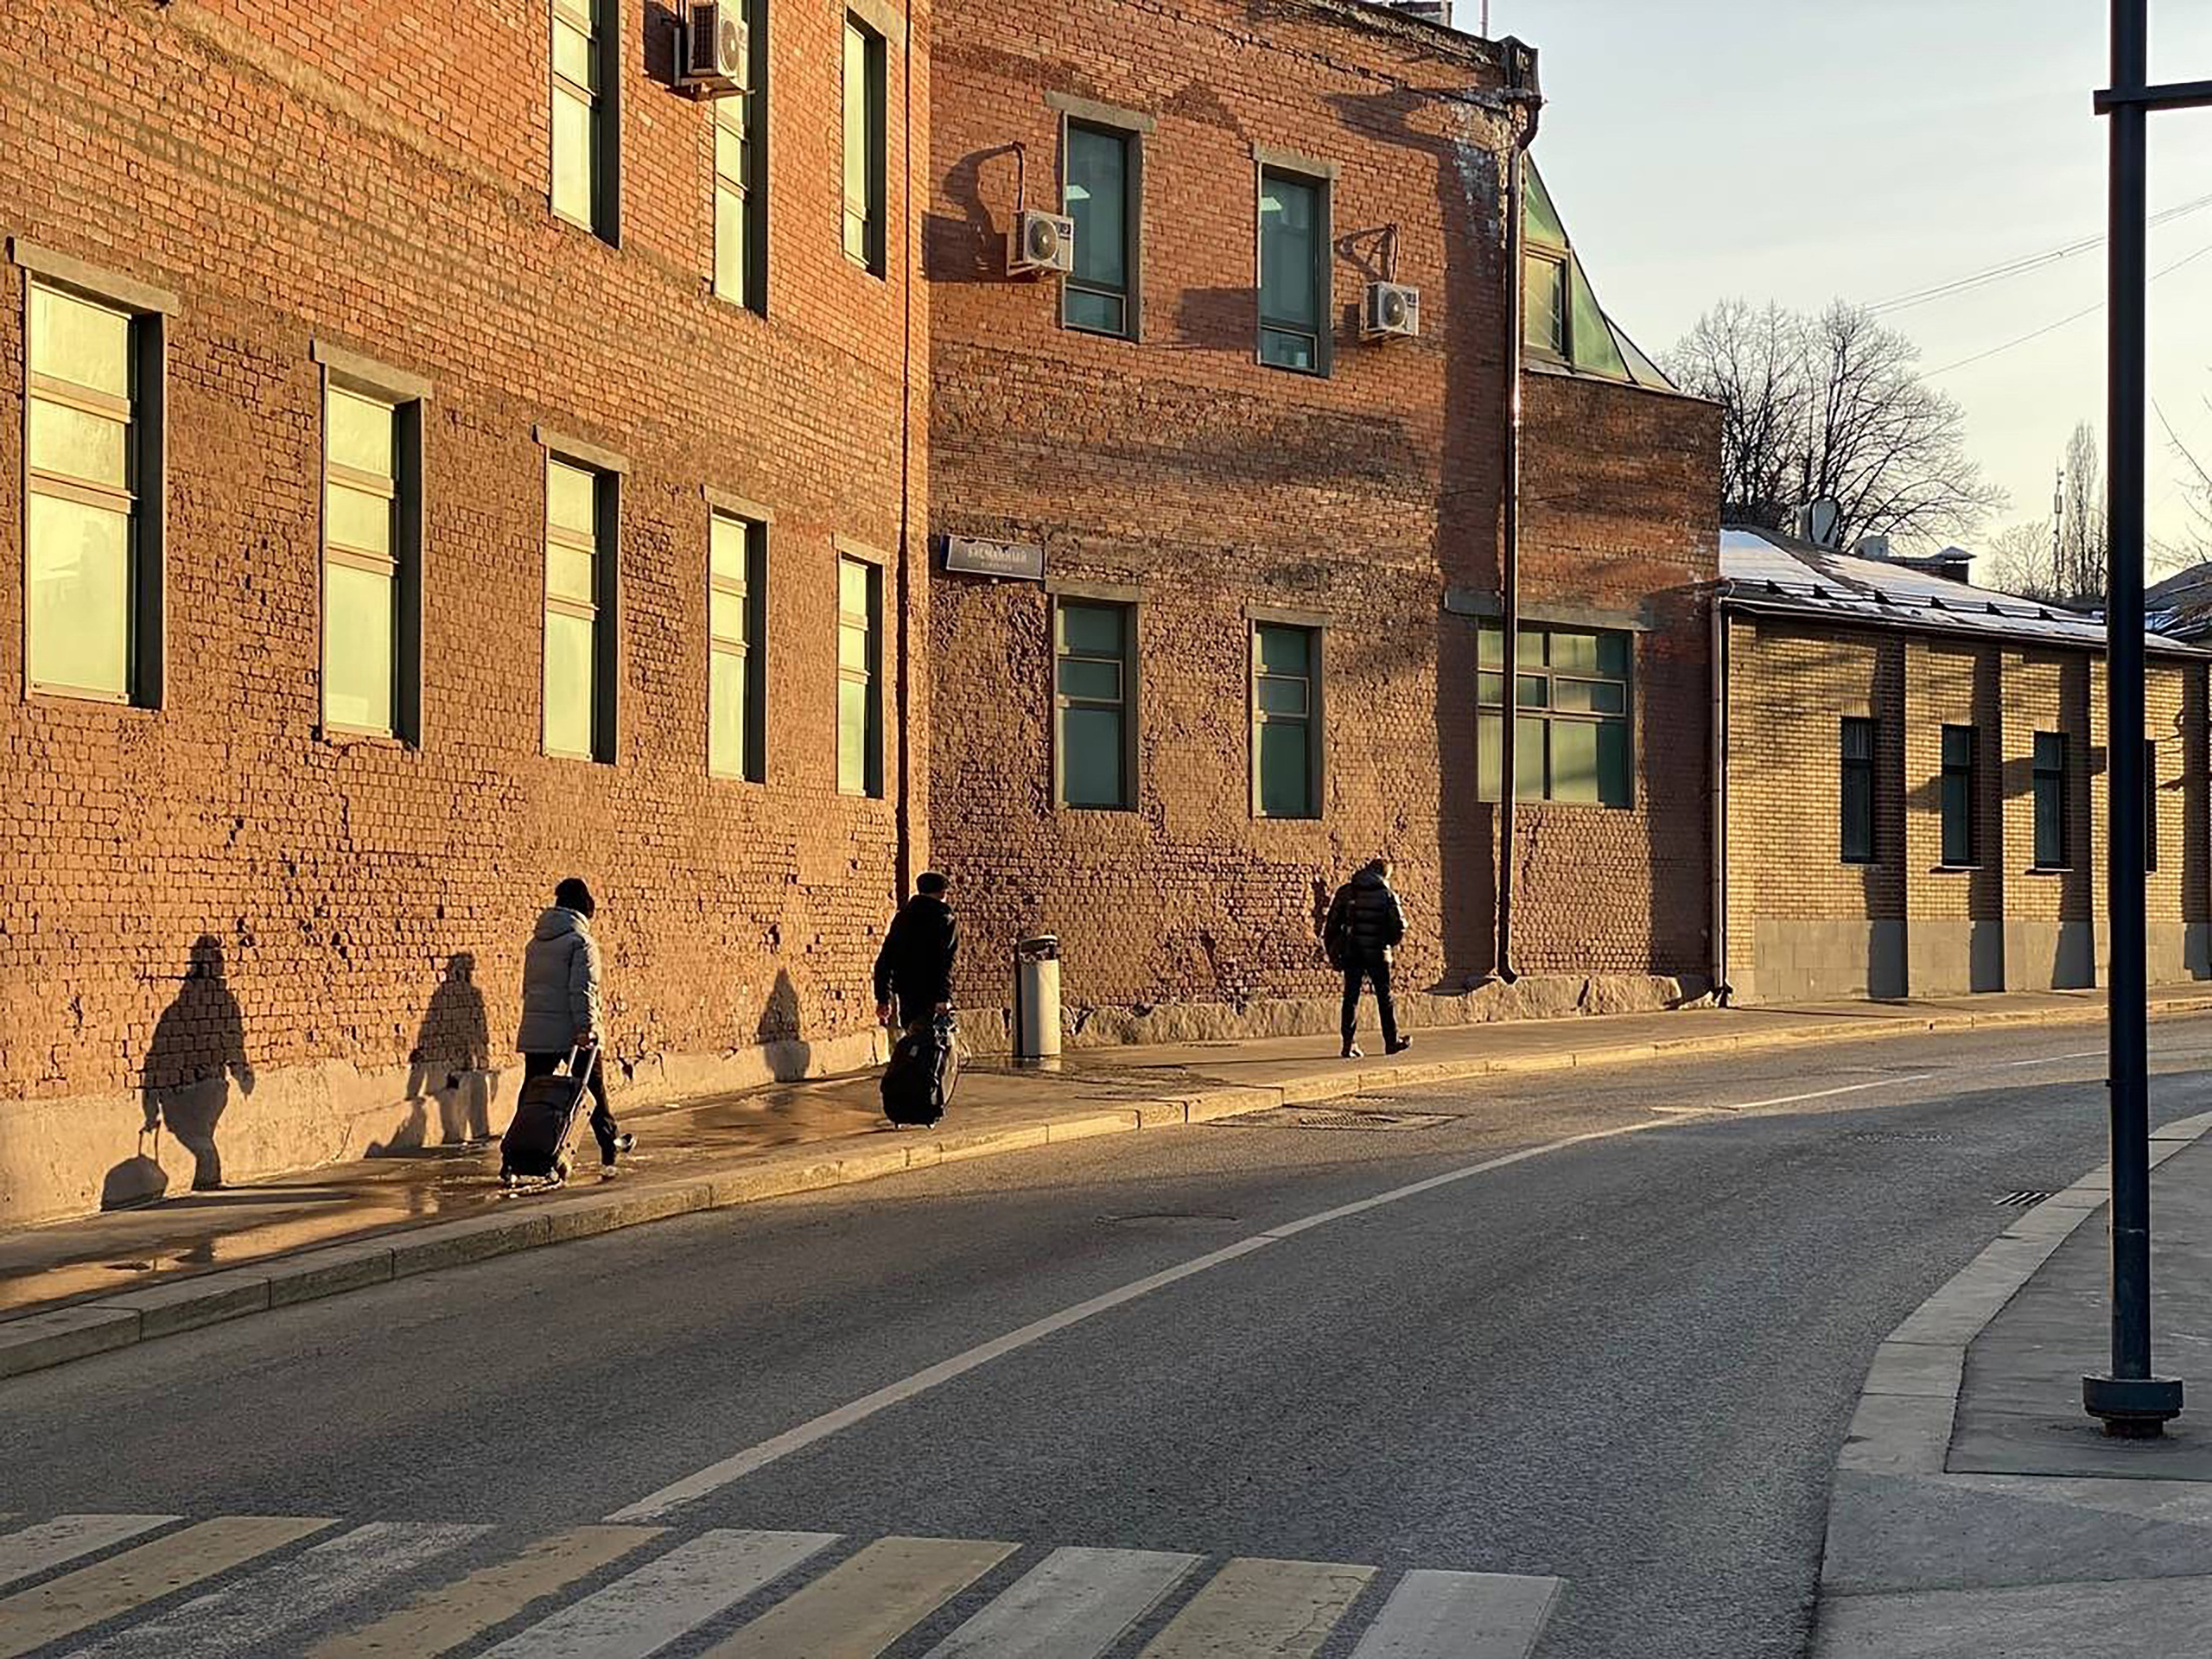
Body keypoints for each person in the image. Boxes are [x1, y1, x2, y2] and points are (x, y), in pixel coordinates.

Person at [517, 877, 633, 1174]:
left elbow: (529, 987)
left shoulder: (535, 943)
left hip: (537, 1029)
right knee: (591, 1088)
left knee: (533, 1092)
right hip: (572, 1033)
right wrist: (588, 1028)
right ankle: (609, 1147)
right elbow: (583, 990)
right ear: (585, 909)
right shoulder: (581, 942)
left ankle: (520, 1149)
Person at [1325, 857, 1411, 1060]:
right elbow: (1400, 926)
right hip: (1378, 953)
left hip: (1352, 952)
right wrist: (1386, 942)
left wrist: (1332, 950)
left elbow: (1331, 924)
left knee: (1351, 998)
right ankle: (1391, 1041)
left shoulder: (1347, 892)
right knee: (1384, 997)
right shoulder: (1387, 895)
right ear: (1384, 874)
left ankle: (1348, 1044)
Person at [875, 871, 959, 1031]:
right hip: (932, 994)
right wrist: (943, 997)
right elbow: (945, 962)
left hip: (906, 992)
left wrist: (882, 998)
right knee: (934, 1044)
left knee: (912, 1037)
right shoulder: (945, 919)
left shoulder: (902, 917)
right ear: (943, 892)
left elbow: (886, 958)